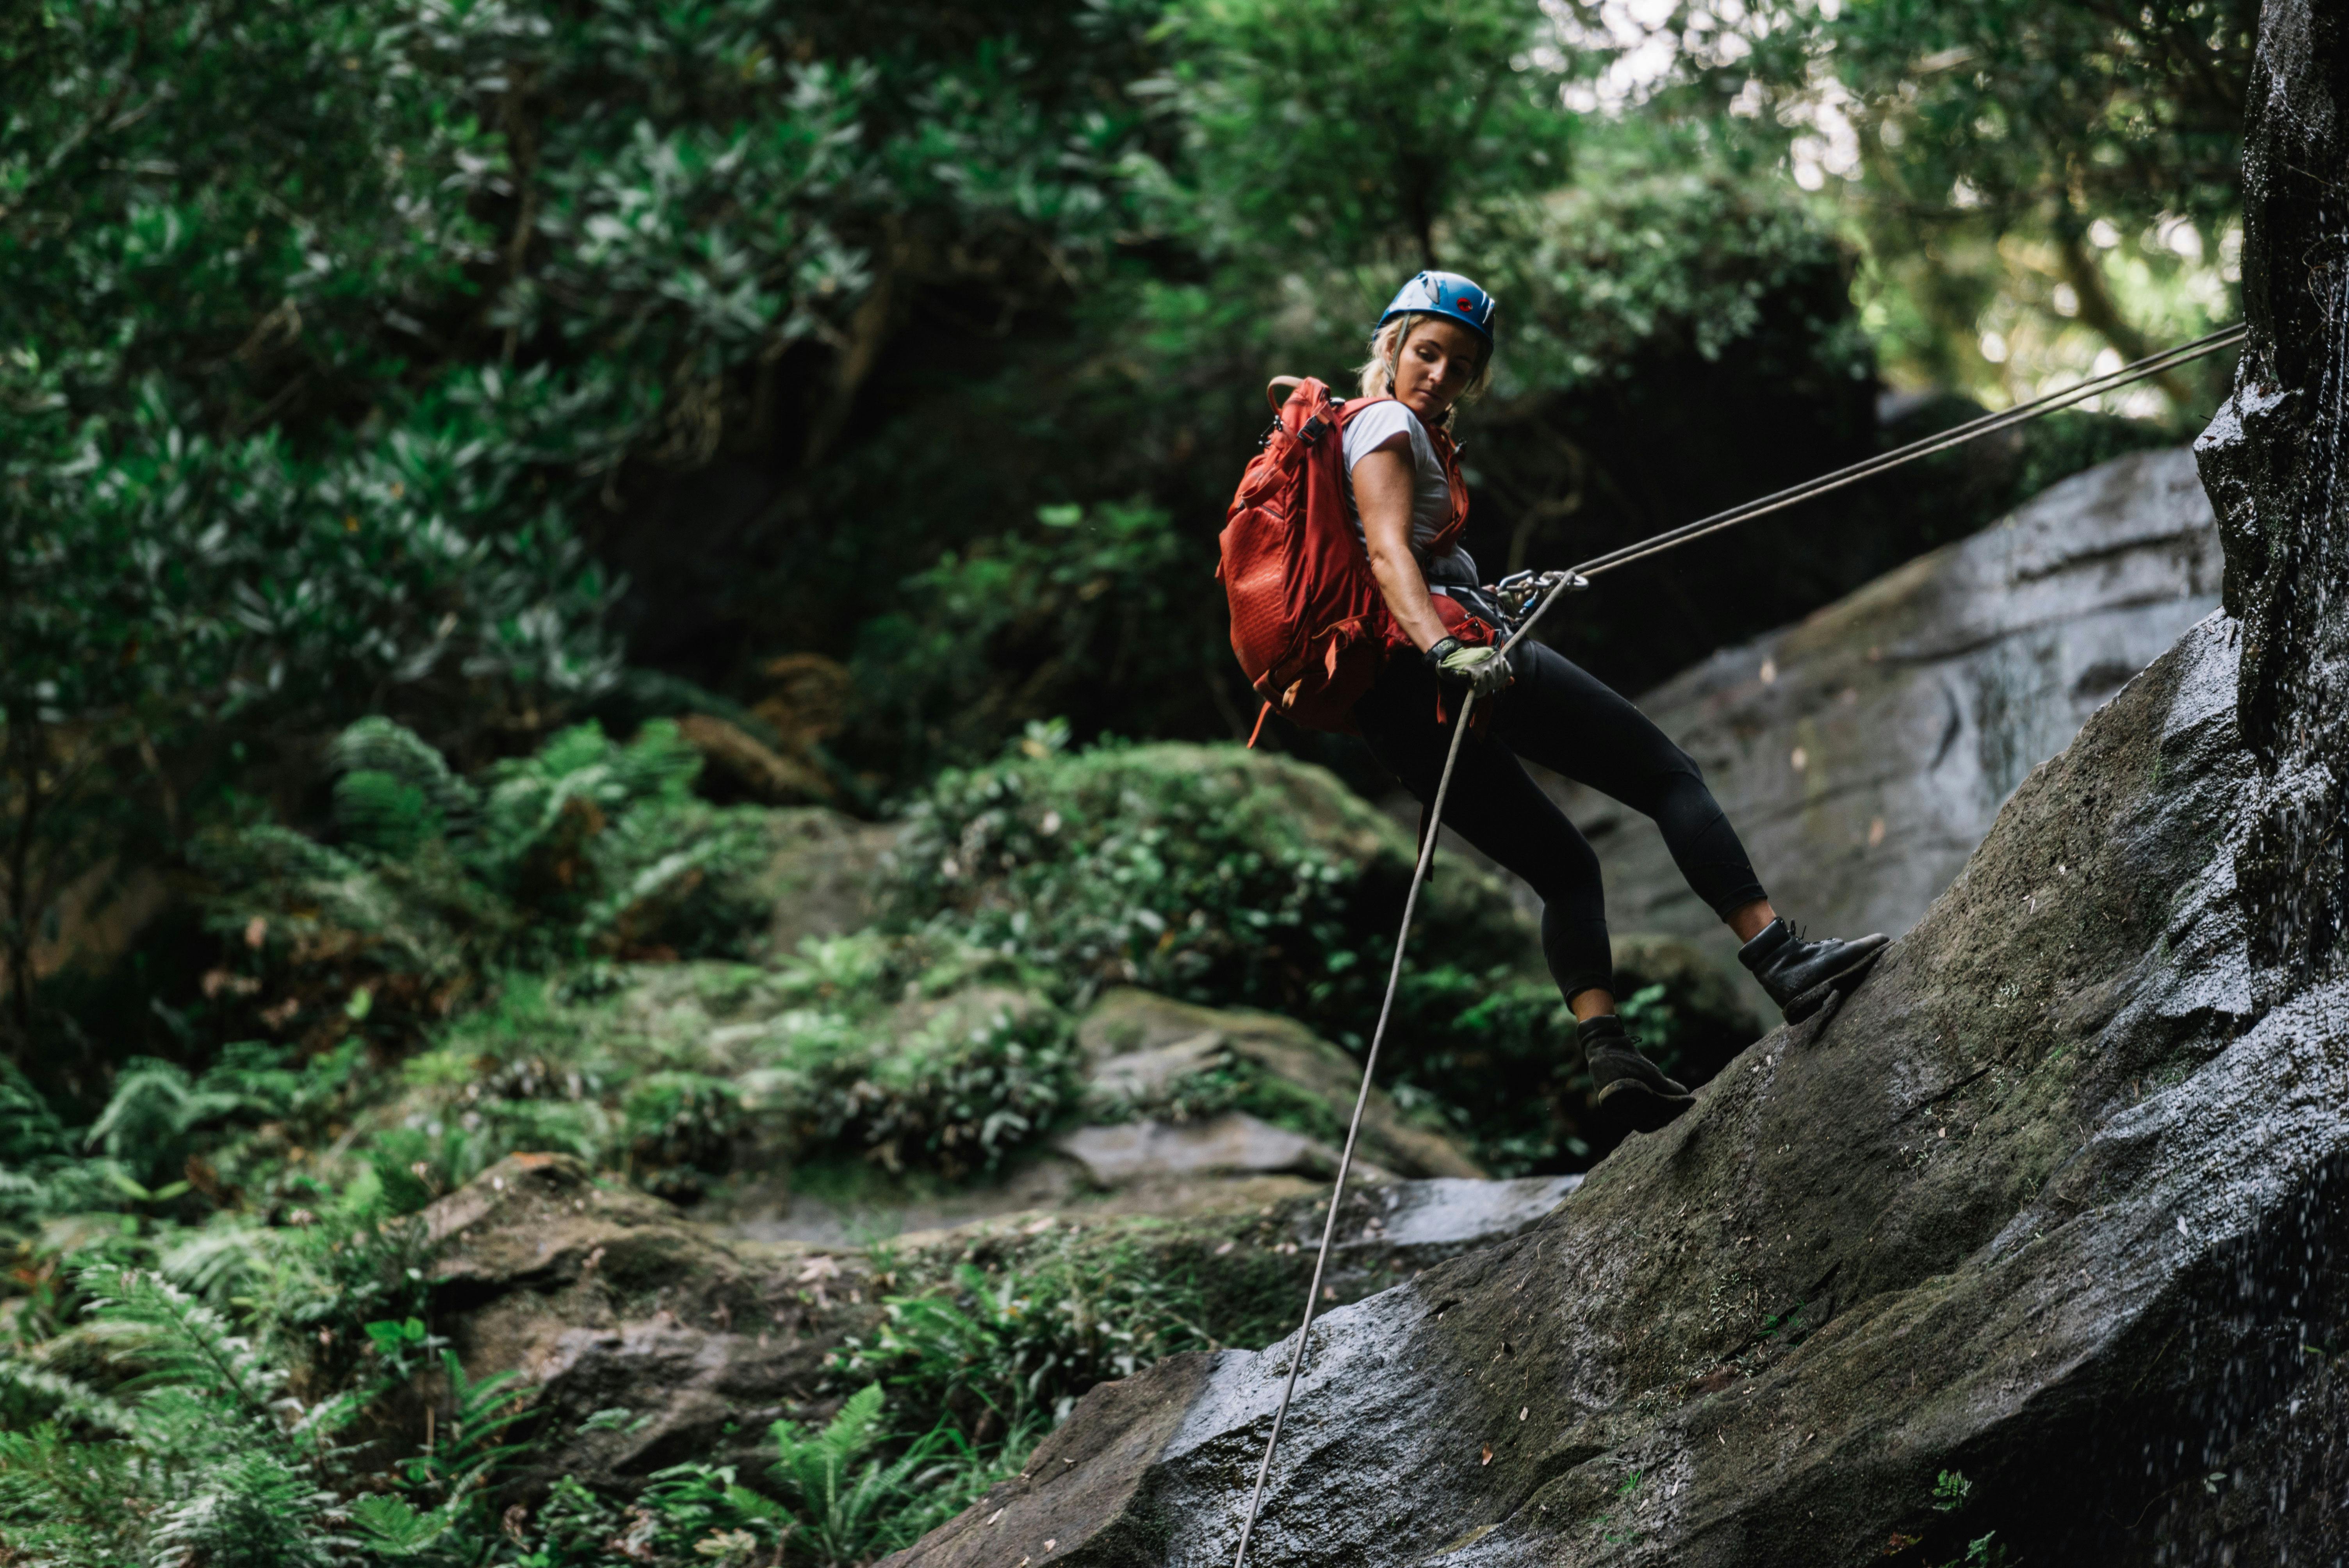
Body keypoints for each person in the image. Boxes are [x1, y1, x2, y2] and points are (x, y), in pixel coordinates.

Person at [1315, 270, 1887, 1131]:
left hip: (1388, 710)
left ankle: (1609, 1055)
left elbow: (1398, 559)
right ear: (1389, 346)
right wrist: (1445, 649)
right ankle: (1782, 960)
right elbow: (1391, 556)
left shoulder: (1354, 435)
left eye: (1459, 365)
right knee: (1666, 776)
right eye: (1425, 351)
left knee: (1564, 868)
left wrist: (1479, 593)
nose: (1438, 374)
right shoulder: (1387, 425)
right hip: (1445, 665)